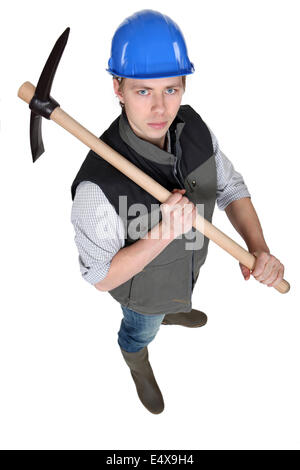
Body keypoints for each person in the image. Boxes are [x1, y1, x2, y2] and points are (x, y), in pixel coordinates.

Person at [70, 9, 285, 414]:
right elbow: (100, 277)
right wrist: (164, 232)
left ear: (184, 84)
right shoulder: (97, 187)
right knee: (141, 328)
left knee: (176, 298)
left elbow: (231, 188)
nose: (159, 108)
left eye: (170, 90)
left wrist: (258, 248)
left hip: (186, 269)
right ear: (118, 87)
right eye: (142, 91)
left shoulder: (197, 131)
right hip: (142, 295)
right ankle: (136, 355)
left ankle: (174, 310)